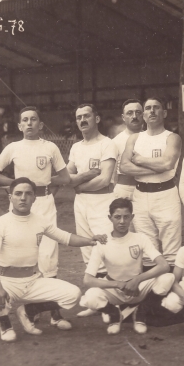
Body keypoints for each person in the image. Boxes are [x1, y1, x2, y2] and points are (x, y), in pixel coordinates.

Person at [0, 178, 106, 342]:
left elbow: (66, 237)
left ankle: (28, 311)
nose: (23, 198)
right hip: (7, 281)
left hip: (33, 280)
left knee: (73, 294)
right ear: (10, 197)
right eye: (18, 193)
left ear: (34, 198)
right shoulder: (0, 223)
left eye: (28, 194)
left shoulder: (40, 220)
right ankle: (5, 325)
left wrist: (91, 240)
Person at [0, 106, 74, 330]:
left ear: (40, 124)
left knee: (49, 256)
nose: (29, 124)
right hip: (20, 205)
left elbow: (64, 177)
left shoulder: (50, 147)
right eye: (24, 120)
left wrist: (42, 184)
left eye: (33, 120)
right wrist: (17, 186)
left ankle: (54, 314)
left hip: (44, 203)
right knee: (20, 252)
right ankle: (19, 306)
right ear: (19, 125)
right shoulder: (13, 148)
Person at [78, 198, 175, 335]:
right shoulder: (103, 242)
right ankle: (114, 315)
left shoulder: (140, 238)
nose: (122, 221)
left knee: (167, 278)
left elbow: (164, 265)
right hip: (115, 289)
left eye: (126, 217)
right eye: (117, 217)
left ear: (132, 217)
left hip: (138, 288)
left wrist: (137, 280)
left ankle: (140, 313)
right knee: (90, 297)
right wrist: (118, 284)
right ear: (110, 218)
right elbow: (87, 280)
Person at [119, 96, 183, 271]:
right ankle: (153, 294)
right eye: (148, 108)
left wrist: (139, 159)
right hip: (141, 195)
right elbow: (124, 166)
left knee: (171, 249)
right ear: (143, 115)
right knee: (147, 248)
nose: (152, 111)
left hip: (166, 195)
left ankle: (171, 293)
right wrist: (156, 168)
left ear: (164, 113)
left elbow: (168, 164)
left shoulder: (172, 137)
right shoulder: (134, 138)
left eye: (156, 107)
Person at [67, 103, 117, 319]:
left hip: (102, 201)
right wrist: (85, 176)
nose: (82, 120)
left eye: (87, 116)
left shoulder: (107, 144)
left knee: (105, 249)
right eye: (79, 117)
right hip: (81, 204)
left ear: (96, 119)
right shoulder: (76, 147)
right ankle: (96, 300)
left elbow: (105, 179)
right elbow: (66, 178)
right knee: (88, 250)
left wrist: (78, 184)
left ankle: (110, 303)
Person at [111, 99, 144, 202]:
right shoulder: (115, 142)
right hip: (125, 190)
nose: (134, 116)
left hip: (147, 190)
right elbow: (111, 175)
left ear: (143, 114)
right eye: (129, 113)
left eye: (138, 112)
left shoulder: (151, 138)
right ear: (123, 117)